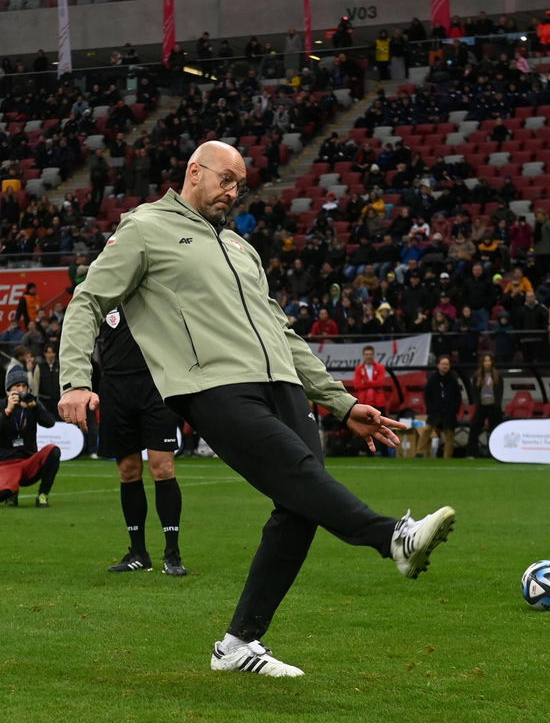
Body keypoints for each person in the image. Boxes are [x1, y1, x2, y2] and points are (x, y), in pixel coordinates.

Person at [57, 141, 456, 678]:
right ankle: (393, 537)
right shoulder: (144, 228)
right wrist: (75, 380)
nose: (233, 192)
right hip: (213, 385)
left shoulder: (243, 250)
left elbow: (282, 333)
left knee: (300, 504)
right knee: (297, 476)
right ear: (194, 172)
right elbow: (88, 301)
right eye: (226, 179)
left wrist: (341, 403)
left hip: (284, 385)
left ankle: (238, 644)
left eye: (240, 185)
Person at [97, 306, 187, 577]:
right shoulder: (103, 295)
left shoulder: (154, 289)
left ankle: (172, 554)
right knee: (128, 471)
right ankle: (138, 553)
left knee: (162, 468)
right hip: (114, 387)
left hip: (155, 385)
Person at [0, 368, 61, 508]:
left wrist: (35, 407)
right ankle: (11, 494)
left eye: (24, 386)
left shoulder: (31, 405)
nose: (21, 389)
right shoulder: (2, 405)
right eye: (17, 386)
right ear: (9, 389)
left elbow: (50, 423)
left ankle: (43, 494)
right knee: (4, 492)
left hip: (28, 463)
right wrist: (8, 411)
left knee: (53, 450)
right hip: (6, 464)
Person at [417, 354, 462, 459]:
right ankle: (420, 452)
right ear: (438, 365)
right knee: (427, 429)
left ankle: (447, 457)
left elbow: (457, 396)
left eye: (447, 364)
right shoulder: (433, 379)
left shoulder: (453, 379)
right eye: (443, 364)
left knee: (449, 434)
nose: (445, 366)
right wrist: (431, 408)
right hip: (435, 411)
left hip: (449, 412)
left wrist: (455, 409)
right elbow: (427, 395)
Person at [352, 345, 390, 457]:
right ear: (363, 356)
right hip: (364, 403)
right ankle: (369, 452)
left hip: (378, 403)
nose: (368, 356)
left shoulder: (380, 367)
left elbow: (381, 383)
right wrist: (373, 383)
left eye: (370, 354)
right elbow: (357, 385)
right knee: (366, 428)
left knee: (382, 427)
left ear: (374, 355)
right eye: (366, 354)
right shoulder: (359, 369)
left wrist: (366, 383)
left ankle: (385, 452)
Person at [467, 353, 503, 458]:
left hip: (494, 407)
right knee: (474, 429)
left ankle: (495, 453)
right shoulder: (476, 376)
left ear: (492, 362)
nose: (487, 363)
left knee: (495, 430)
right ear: (482, 363)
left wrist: (497, 404)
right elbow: (474, 391)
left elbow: (500, 391)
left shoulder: (498, 375)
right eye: (485, 361)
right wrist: (477, 403)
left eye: (489, 360)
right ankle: (471, 453)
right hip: (481, 407)